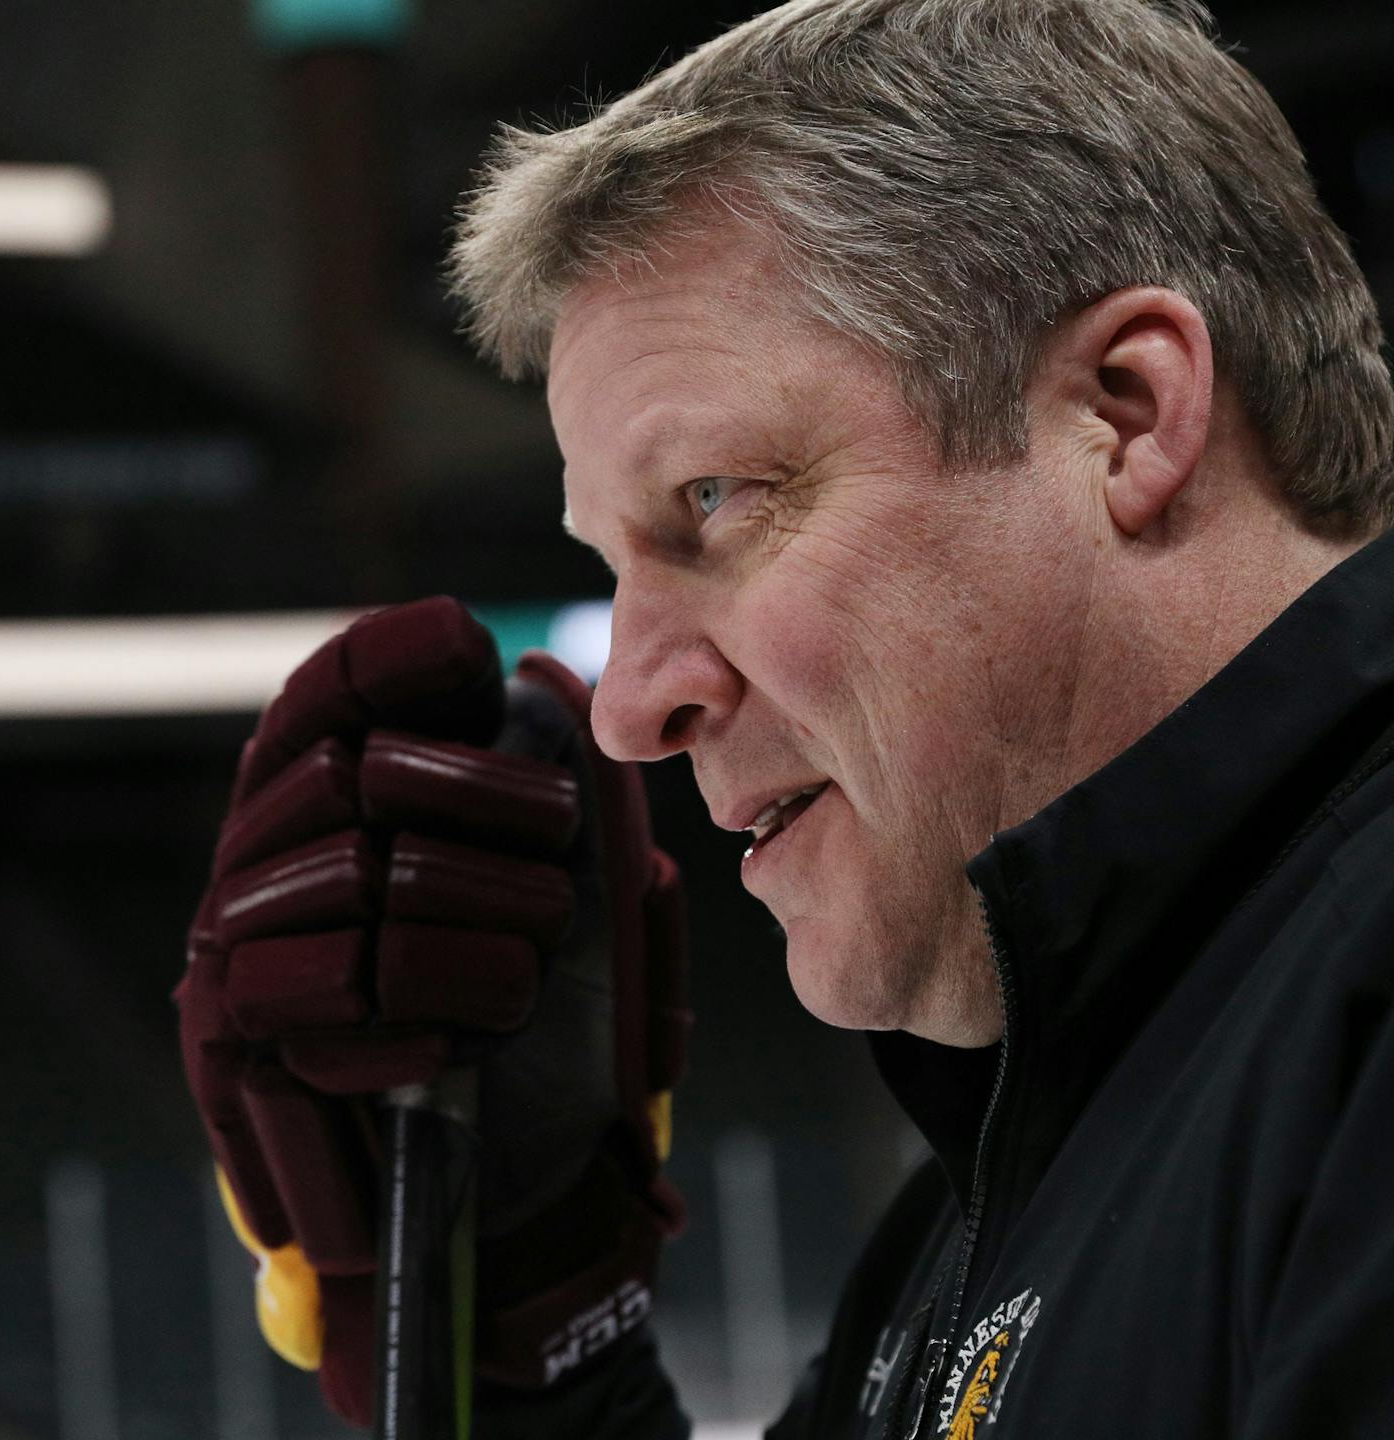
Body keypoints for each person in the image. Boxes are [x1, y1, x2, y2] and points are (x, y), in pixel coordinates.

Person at [179, 0, 1394, 1435]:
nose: (631, 706)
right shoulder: (1006, 1179)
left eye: (713, 500)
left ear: (1124, 416)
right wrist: (529, 1349)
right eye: (610, 563)